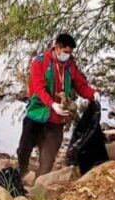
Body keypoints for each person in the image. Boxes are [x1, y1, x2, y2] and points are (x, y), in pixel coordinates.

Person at [18, 33, 98, 177]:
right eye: (66, 52)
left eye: (70, 52)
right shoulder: (40, 62)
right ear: (57, 47)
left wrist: (93, 94)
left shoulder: (70, 66)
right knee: (24, 148)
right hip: (37, 113)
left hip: (56, 118)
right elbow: (39, 88)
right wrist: (52, 104)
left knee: (49, 155)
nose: (68, 55)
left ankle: (40, 180)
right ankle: (22, 174)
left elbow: (80, 85)